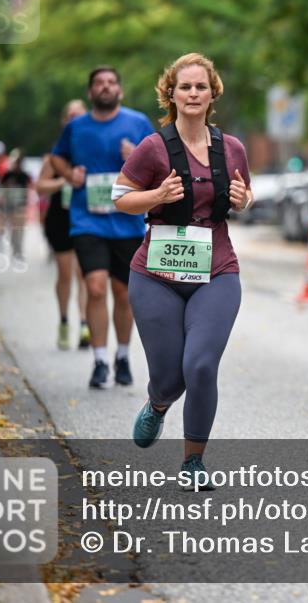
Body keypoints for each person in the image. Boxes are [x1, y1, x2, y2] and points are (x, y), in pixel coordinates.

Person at [113, 52, 251, 488]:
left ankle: (193, 462)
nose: (193, 94)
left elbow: (244, 196)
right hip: (157, 275)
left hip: (217, 270)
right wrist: (156, 194)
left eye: (201, 86)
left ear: (213, 93)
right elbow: (120, 197)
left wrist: (245, 199)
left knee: (202, 366)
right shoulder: (153, 148)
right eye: (185, 87)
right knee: (171, 377)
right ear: (170, 94)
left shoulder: (231, 148)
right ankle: (157, 404)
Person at [50, 67, 155, 388]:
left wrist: (136, 155)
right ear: (90, 92)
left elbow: (162, 164)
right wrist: (69, 176)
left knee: (124, 294)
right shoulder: (76, 127)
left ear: (120, 91)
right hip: (88, 220)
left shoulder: (138, 123)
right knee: (95, 287)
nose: (105, 87)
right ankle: (99, 361)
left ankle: (122, 355)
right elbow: (57, 158)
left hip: (128, 222)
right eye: (99, 83)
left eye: (111, 83)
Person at [36, 100, 90, 350]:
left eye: (78, 115)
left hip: (87, 216)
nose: (74, 119)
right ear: (64, 121)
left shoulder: (93, 149)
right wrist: (65, 181)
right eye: (70, 115)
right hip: (61, 218)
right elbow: (40, 187)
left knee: (85, 274)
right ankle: (64, 320)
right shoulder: (55, 155)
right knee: (66, 274)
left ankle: (84, 324)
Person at [0, 149, 31, 260]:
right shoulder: (8, 175)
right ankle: (14, 248)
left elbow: (29, 188)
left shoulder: (25, 175)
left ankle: (19, 250)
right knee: (13, 228)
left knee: (20, 229)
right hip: (10, 205)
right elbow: (1, 188)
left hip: (20, 205)